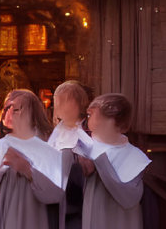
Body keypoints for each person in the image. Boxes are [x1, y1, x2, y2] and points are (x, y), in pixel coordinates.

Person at [0, 89, 63, 229]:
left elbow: (55, 194)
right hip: (4, 215)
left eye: (16, 110)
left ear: (31, 115)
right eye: (6, 108)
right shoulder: (2, 142)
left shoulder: (46, 147)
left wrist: (27, 169)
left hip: (31, 216)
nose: (9, 114)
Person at [78, 93, 148, 229]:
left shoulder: (134, 157)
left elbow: (128, 199)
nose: (86, 122)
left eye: (90, 115)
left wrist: (100, 162)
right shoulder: (86, 146)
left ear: (111, 119)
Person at [49, 81, 90, 229]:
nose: (60, 107)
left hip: (77, 191)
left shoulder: (87, 129)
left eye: (65, 102)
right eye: (58, 102)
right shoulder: (57, 131)